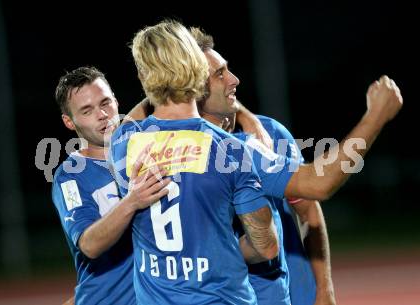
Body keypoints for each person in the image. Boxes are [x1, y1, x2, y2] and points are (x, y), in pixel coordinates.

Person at [125, 26, 402, 305]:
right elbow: (319, 182)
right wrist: (376, 116)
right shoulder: (237, 149)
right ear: (195, 84)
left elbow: (307, 209)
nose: (234, 79)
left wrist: (323, 287)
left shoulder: (138, 144)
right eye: (219, 74)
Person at [110, 20, 289, 305]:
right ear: (197, 67)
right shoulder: (230, 148)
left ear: (145, 76)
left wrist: (160, 79)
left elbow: (136, 117)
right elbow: (266, 247)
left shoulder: (123, 143)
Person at [51, 66, 170, 305]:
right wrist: (132, 201)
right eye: (87, 111)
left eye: (105, 103)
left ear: (116, 101)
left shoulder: (149, 146)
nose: (102, 114)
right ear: (69, 122)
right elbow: (89, 244)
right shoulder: (70, 178)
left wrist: (245, 117)